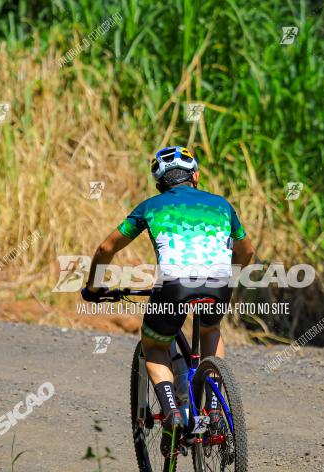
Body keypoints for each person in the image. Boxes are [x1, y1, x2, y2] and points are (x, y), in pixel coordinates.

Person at [82, 146, 254, 429]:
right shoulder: (222, 205)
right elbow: (246, 252)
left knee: (154, 344)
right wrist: (228, 276)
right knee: (211, 329)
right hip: (220, 284)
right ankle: (212, 410)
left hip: (174, 286)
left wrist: (93, 286)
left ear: (160, 184)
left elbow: (106, 247)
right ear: (195, 176)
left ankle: (172, 412)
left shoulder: (150, 206)